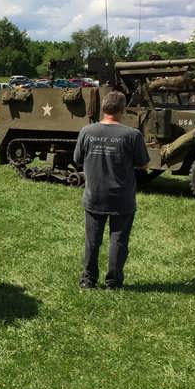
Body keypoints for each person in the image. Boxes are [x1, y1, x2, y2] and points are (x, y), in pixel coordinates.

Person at [73, 91, 150, 290]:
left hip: (94, 195)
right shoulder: (132, 135)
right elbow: (144, 164)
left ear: (104, 108)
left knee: (92, 241)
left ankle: (88, 280)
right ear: (122, 110)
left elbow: (77, 159)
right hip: (122, 197)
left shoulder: (87, 131)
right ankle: (113, 283)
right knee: (119, 241)